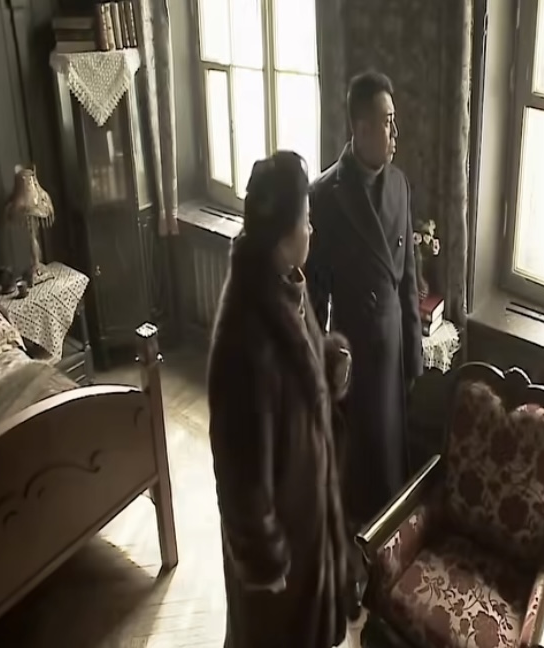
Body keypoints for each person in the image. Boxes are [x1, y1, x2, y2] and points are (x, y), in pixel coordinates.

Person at [207, 151, 353, 648]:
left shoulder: (286, 285)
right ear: (283, 233)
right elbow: (238, 472)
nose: (311, 230)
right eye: (306, 220)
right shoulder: (244, 337)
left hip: (307, 525)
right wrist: (264, 559)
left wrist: (329, 361)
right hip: (280, 560)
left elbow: (302, 365)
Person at [306, 71, 422, 599]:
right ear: (359, 127)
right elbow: (314, 300)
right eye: (387, 122)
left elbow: (409, 278)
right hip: (352, 355)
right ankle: (354, 564)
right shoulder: (325, 196)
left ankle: (389, 559)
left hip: (392, 348)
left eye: (394, 121)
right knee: (357, 468)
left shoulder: (399, 185)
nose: (395, 133)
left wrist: (413, 350)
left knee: (391, 462)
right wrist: (321, 368)